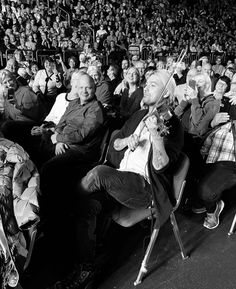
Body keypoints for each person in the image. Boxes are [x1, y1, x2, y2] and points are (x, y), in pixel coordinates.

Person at [48, 69, 183, 289]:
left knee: (99, 173)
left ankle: (60, 212)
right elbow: (115, 142)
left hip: (145, 188)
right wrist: (128, 139)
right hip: (121, 179)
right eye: (146, 84)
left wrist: (156, 136)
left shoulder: (173, 124)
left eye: (153, 85)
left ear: (166, 95)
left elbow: (161, 166)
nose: (146, 87)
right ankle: (86, 269)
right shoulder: (140, 116)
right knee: (88, 206)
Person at [198, 100, 236, 229]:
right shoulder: (223, 123)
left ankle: (212, 209)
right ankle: (209, 199)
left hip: (230, 164)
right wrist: (212, 124)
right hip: (210, 160)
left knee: (206, 191)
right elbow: (203, 141)